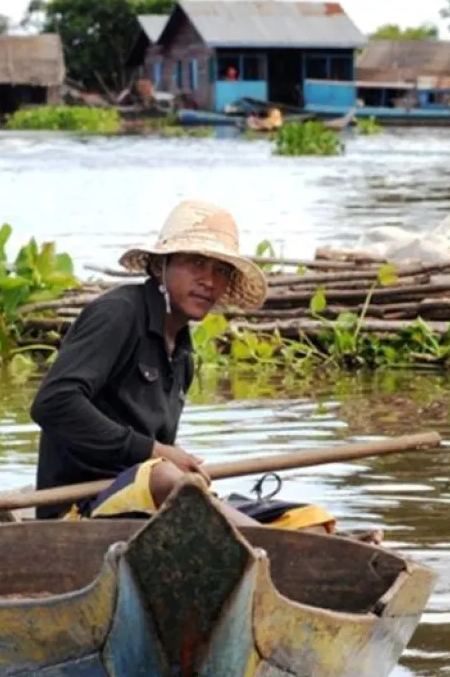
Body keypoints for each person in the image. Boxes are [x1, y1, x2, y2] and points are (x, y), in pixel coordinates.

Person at [30, 199, 343, 537]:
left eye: (220, 271)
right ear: (162, 265)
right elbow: (53, 403)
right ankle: (271, 546)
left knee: (311, 520)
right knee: (166, 476)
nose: (208, 280)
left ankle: (313, 544)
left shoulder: (181, 350)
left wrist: (175, 465)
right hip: (79, 510)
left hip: (143, 507)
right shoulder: (119, 313)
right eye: (196, 263)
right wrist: (155, 452)